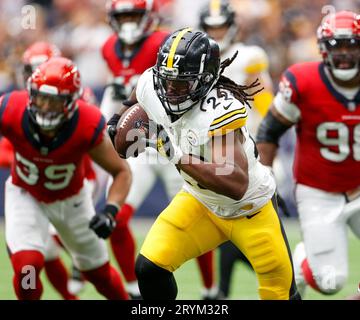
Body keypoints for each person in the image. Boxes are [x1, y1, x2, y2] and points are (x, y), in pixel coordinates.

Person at [110, 28, 301, 300]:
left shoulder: (218, 111)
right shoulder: (154, 82)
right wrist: (117, 119)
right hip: (199, 201)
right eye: (167, 81)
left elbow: (234, 183)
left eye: (182, 84)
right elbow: (140, 93)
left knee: (279, 295)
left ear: (206, 81)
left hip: (249, 209)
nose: (171, 91)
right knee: (150, 268)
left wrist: (175, 156)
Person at [101, 0, 217, 299]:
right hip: (143, 143)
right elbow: (133, 90)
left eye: (133, 15)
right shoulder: (108, 48)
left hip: (176, 143)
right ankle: (131, 291)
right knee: (118, 218)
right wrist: (115, 120)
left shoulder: (163, 42)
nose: (128, 22)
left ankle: (210, 290)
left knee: (197, 217)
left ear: (149, 16)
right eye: (122, 16)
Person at [1, 57, 131, 300]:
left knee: (99, 276)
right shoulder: (10, 108)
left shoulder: (86, 122)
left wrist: (111, 211)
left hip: (72, 201)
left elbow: (121, 171)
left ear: (71, 102)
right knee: (27, 267)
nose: (45, 106)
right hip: (25, 195)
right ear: (31, 93)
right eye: (41, 97)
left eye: (54, 101)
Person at [256, 11, 360, 297]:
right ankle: (303, 262)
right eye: (337, 45)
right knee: (329, 282)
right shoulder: (303, 81)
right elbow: (269, 131)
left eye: (352, 44)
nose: (345, 54)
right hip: (319, 191)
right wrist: (264, 183)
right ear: (323, 48)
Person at [199, 0, 275, 299]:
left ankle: (287, 272)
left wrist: (270, 139)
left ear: (232, 27)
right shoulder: (198, 57)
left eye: (220, 27)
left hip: (249, 147)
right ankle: (224, 291)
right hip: (213, 148)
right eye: (211, 28)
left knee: (253, 225)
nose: (216, 33)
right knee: (228, 222)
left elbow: (265, 99)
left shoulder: (249, 55)